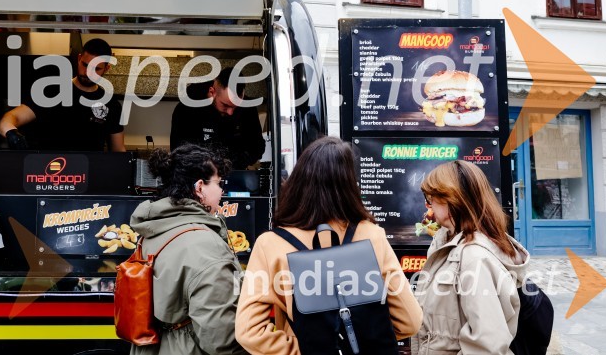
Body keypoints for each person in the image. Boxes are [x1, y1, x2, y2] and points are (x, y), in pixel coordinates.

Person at [236, 136, 422, 354]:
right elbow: (410, 321)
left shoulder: (271, 244)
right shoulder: (372, 235)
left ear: (298, 181)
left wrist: (306, 349)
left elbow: (249, 331)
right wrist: (358, 342)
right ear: (349, 184)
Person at [129, 144, 247, 355]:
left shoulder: (152, 231)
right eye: (219, 183)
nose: (222, 191)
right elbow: (222, 340)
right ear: (200, 187)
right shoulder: (207, 247)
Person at [411, 160, 530, 355]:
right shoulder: (449, 244)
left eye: (431, 198)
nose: (428, 205)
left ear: (452, 199)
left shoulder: (474, 257)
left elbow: (487, 346)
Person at [0, 38, 125, 151]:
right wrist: (11, 132)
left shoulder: (111, 105)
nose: (87, 72)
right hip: (48, 167)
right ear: (79, 59)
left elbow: (118, 149)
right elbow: (11, 117)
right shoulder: (50, 92)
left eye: (96, 68)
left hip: (89, 169)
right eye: (85, 65)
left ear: (106, 68)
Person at [170, 67, 265, 169]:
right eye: (225, 105)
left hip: (235, 173)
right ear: (212, 92)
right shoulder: (187, 108)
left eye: (235, 106)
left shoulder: (247, 108)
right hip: (198, 174)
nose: (230, 112)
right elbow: (178, 151)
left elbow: (257, 148)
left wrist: (235, 161)